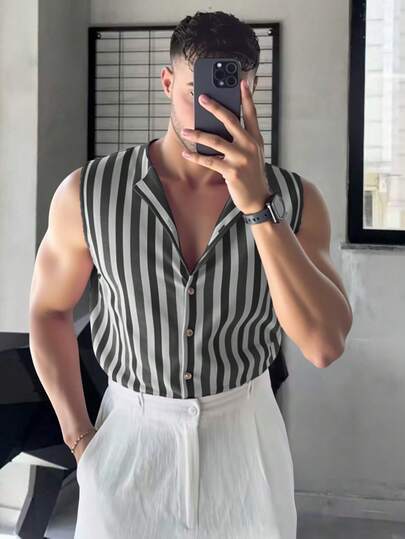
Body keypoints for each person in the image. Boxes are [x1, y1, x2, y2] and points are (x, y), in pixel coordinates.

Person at [28, 10, 353, 539]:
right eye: (194, 91)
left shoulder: (295, 200)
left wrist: (258, 207)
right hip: (130, 434)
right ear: (166, 82)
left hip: (245, 435)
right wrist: (80, 438)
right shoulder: (89, 193)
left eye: (230, 91)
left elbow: (323, 345)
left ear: (251, 90)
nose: (210, 109)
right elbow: (48, 310)